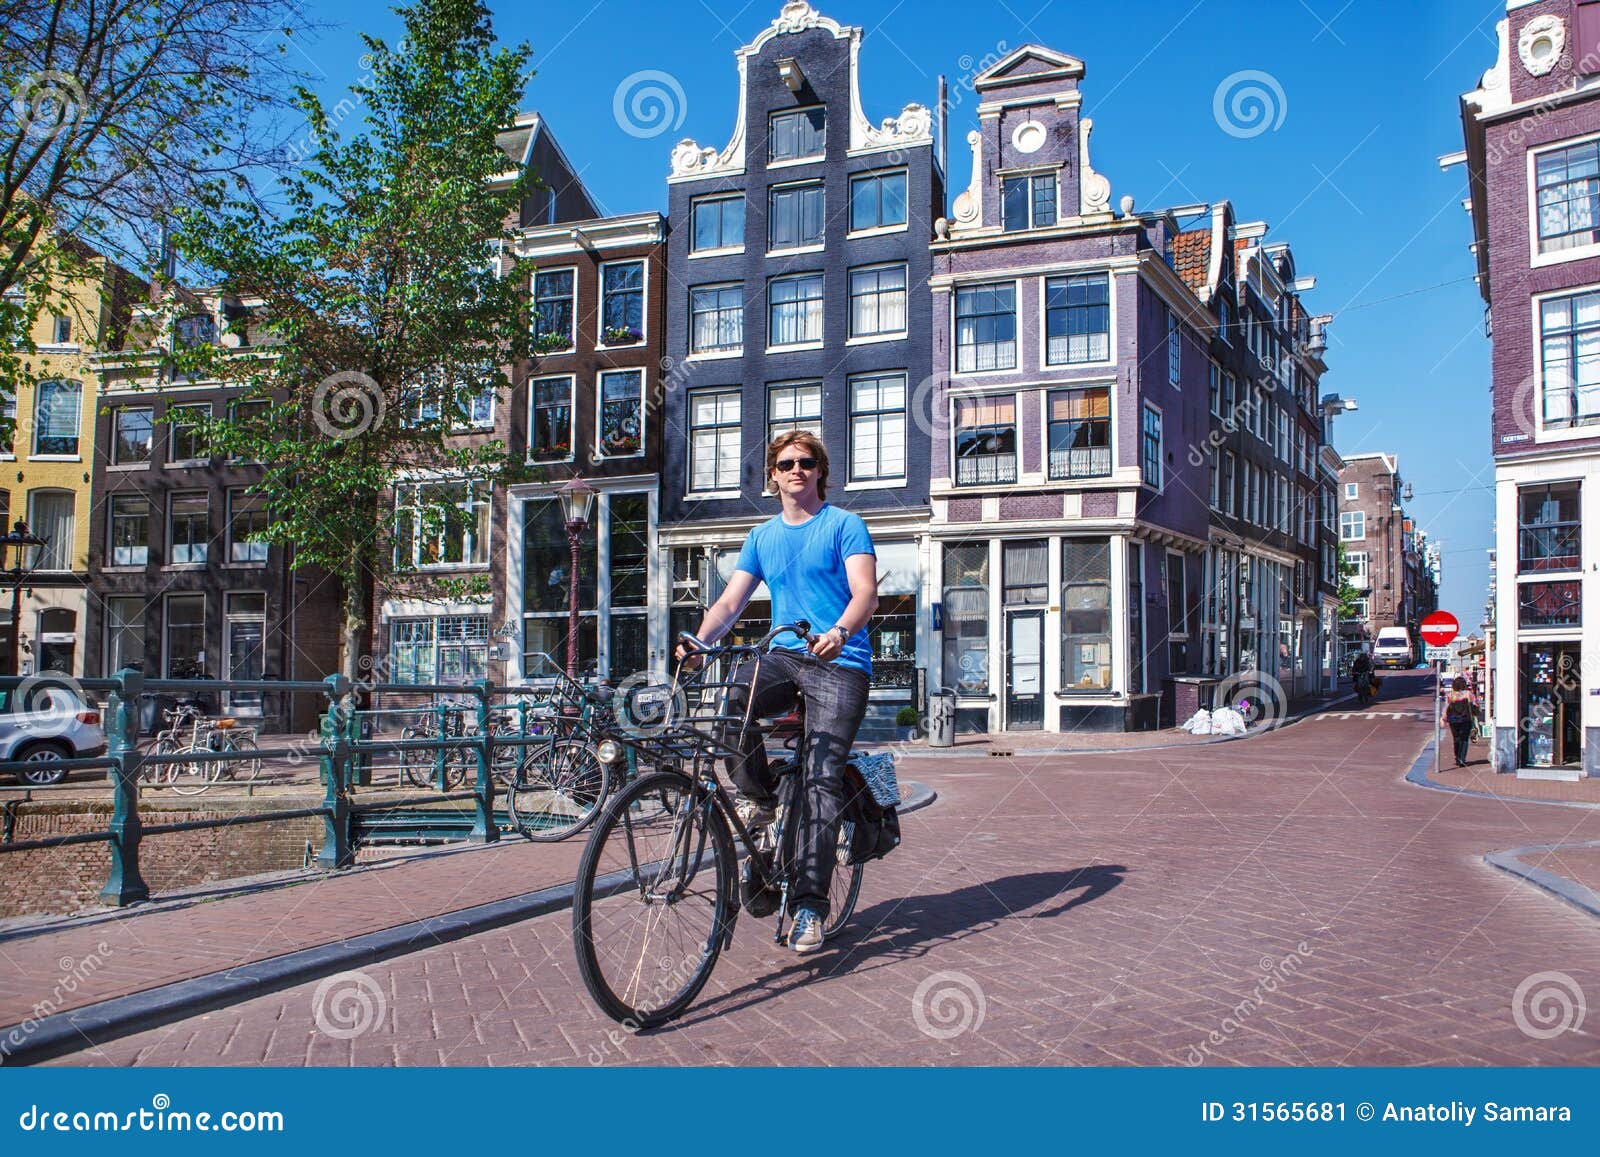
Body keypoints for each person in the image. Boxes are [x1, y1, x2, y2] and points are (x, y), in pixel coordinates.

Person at [674, 430, 878, 954]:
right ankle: (761, 799)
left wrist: (839, 633)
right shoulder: (762, 537)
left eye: (807, 462)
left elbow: (865, 595)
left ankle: (810, 905)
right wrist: (699, 641)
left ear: (820, 472)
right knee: (732, 704)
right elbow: (729, 605)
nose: (796, 470)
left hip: (839, 661)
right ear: (773, 474)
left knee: (820, 780)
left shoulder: (844, 526)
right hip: (785, 656)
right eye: (786, 463)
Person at [1442, 676, 1478, 767]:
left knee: (1456, 738)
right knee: (1464, 738)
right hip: (1466, 718)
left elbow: (1446, 708)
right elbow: (1475, 705)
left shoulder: (1450, 695)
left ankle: (1457, 757)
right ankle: (1462, 758)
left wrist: (1444, 719)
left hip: (1453, 720)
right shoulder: (1468, 694)